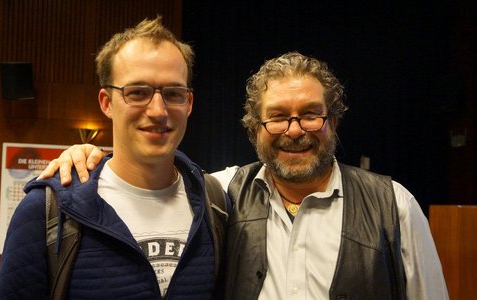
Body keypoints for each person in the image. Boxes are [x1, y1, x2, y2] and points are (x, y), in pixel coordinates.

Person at [40, 52, 449, 299]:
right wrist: (95, 155)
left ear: (333, 122)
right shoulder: (220, 192)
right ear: (255, 128)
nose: (294, 130)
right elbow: (152, 172)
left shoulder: (395, 204)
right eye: (277, 118)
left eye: (310, 114)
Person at [0, 17, 227, 299]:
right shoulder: (46, 211)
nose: (158, 110)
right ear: (106, 102)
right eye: (138, 93)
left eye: (173, 93)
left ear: (188, 103)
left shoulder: (216, 204)